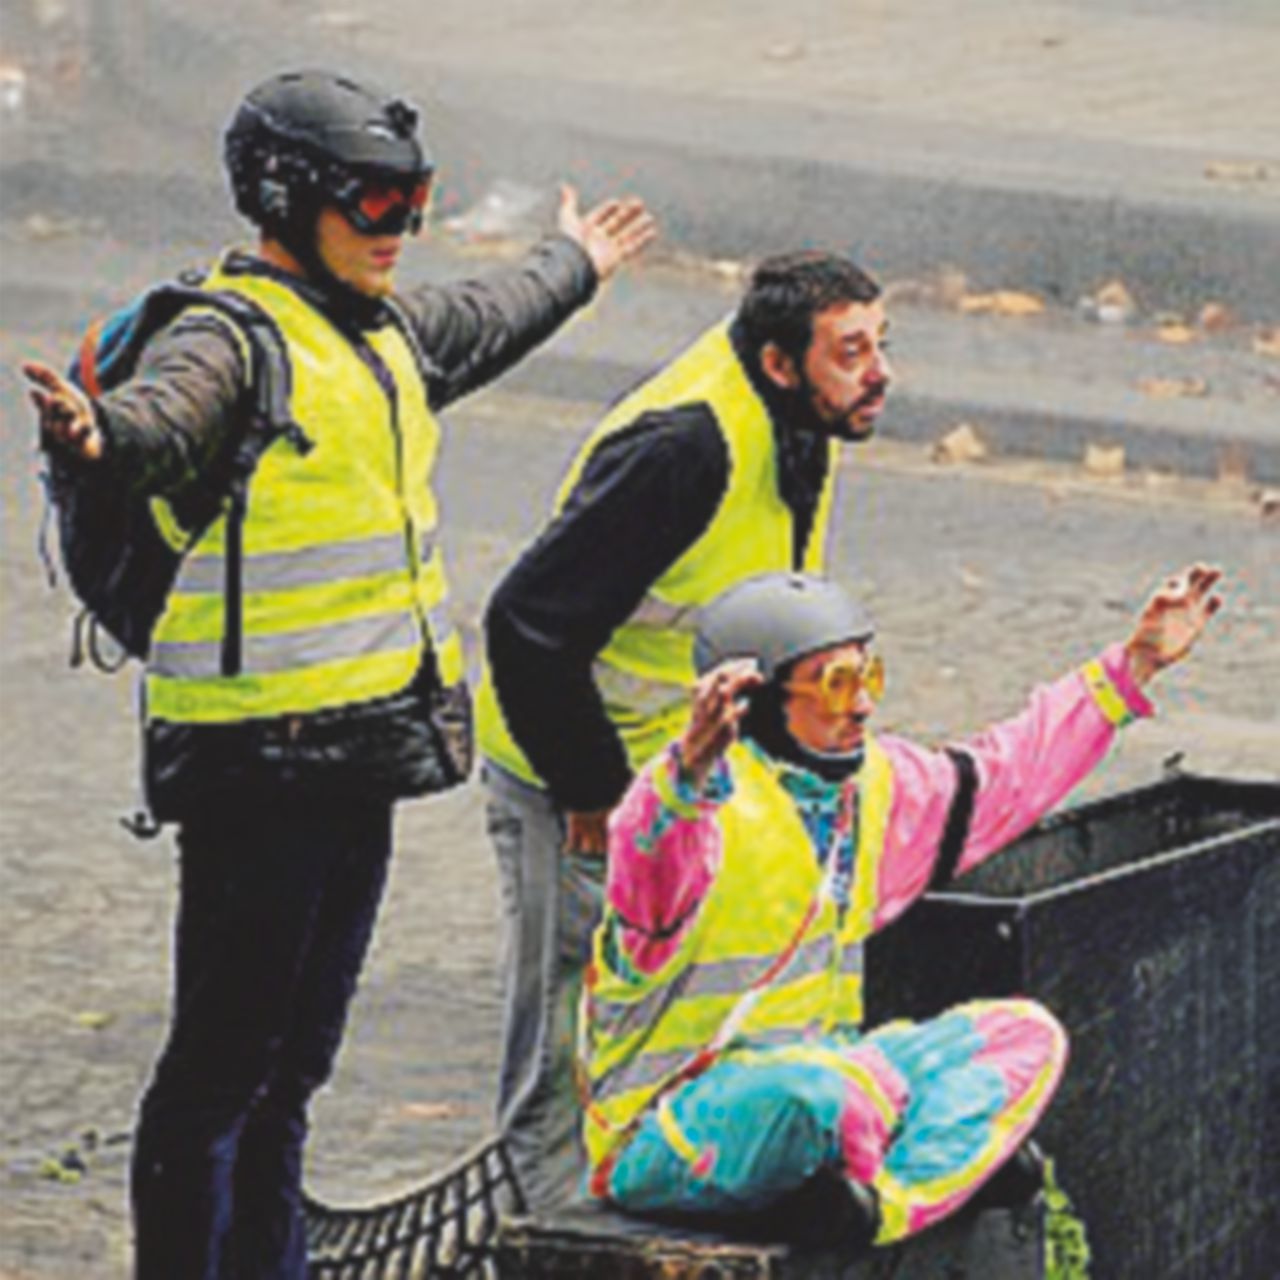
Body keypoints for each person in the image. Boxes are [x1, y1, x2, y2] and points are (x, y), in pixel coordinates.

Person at [22, 68, 654, 1280]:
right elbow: (167, 412)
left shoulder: (380, 332)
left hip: (355, 754)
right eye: (374, 204)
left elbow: (489, 312)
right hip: (255, 766)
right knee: (218, 1071)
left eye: (413, 202)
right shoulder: (228, 334)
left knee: (291, 1072)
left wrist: (572, 262)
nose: (400, 232)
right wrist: (103, 442)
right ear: (285, 198)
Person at [579, 565, 1223, 1249]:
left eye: (867, 678)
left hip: (839, 1081)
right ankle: (933, 1165)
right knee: (819, 1097)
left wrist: (1135, 666)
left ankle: (884, 1203)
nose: (860, 706)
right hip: (674, 1131)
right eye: (835, 685)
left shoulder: (873, 788)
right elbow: (646, 855)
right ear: (757, 701)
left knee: (1024, 1034)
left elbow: (1009, 772)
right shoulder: (697, 812)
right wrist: (685, 773)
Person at [473, 251, 893, 1205]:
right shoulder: (683, 448)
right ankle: (558, 1244)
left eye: (880, 345)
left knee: (674, 1025)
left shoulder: (801, 418)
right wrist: (590, 792)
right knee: (570, 1040)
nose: (878, 372)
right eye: (851, 351)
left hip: (686, 781)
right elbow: (526, 625)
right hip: (574, 781)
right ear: (781, 362)